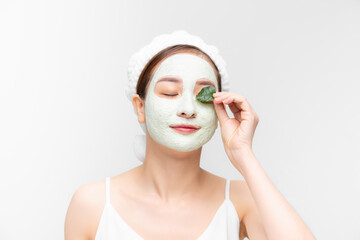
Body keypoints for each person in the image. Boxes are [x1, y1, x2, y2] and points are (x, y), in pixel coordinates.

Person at [64, 30, 316, 240]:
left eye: (203, 96)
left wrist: (243, 154)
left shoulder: (240, 200)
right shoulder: (93, 203)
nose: (187, 109)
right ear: (140, 107)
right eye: (170, 93)